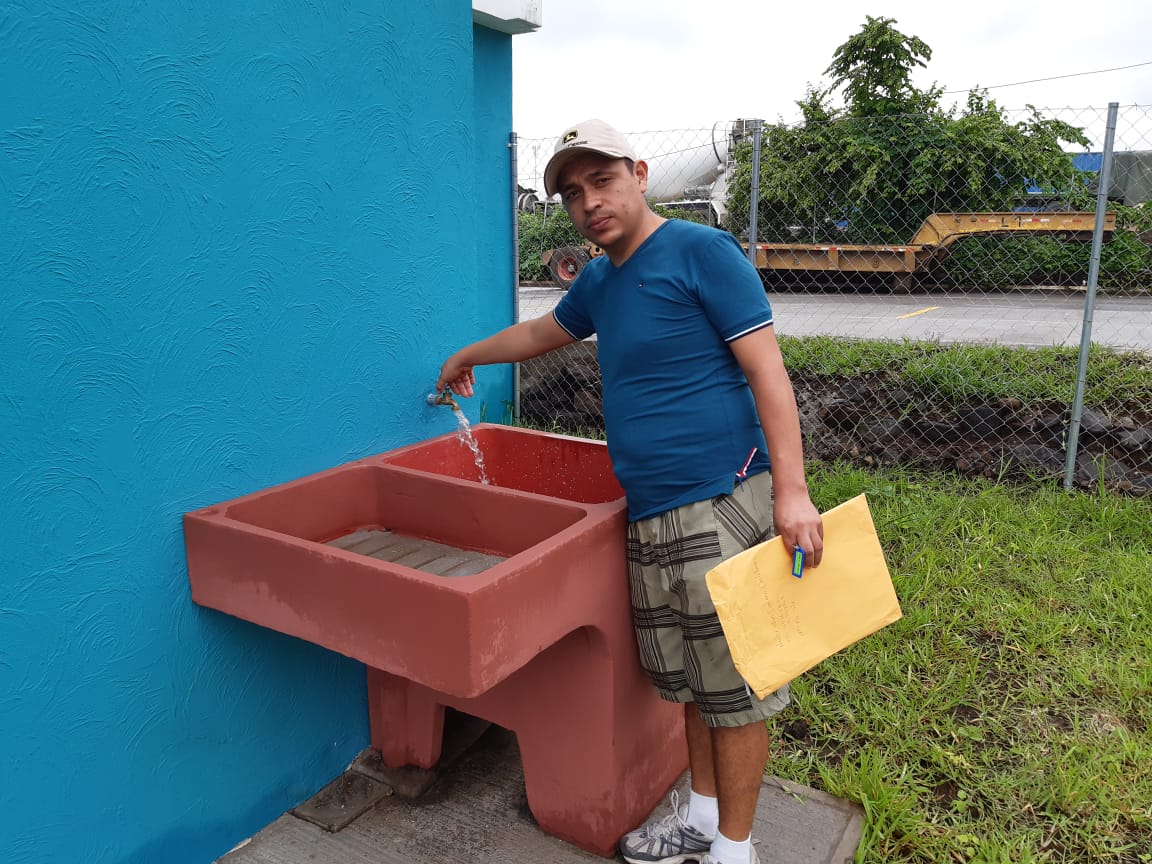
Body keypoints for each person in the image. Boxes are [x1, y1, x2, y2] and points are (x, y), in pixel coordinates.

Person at [436, 119, 824, 864]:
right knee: (692, 684)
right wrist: (465, 355)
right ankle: (702, 821)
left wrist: (794, 492)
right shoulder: (599, 280)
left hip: (719, 500)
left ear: (639, 175)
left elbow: (768, 372)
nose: (589, 202)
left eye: (602, 180)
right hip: (650, 514)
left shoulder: (701, 252)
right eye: (572, 193)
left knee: (735, 692)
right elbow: (540, 335)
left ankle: (734, 852)